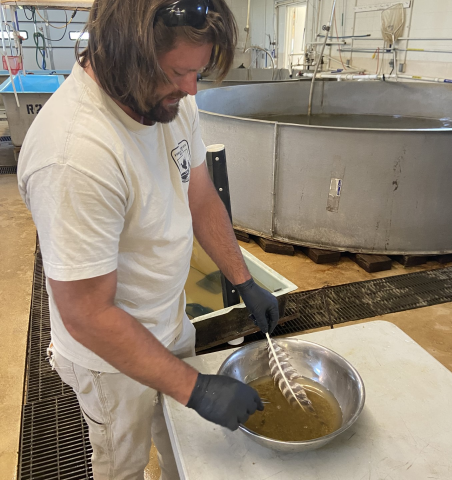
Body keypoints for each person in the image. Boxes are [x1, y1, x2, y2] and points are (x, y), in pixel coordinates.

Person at [17, 1, 279, 479]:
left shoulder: (172, 101)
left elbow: (200, 197)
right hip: (108, 359)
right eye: (180, 72)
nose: (191, 88)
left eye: (198, 72)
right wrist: (197, 389)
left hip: (169, 320)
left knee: (183, 444)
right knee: (125, 464)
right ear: (125, 52)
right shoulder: (74, 155)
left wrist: (244, 280)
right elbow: (87, 313)